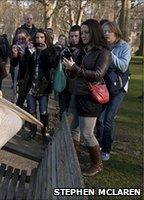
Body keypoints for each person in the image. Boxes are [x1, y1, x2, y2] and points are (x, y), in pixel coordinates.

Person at [63, 19, 112, 176]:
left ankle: (97, 164)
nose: (83, 35)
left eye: (86, 32)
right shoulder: (83, 51)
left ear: (94, 33)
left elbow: (98, 75)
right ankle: (73, 159)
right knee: (72, 130)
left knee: (87, 133)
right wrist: (69, 68)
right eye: (81, 32)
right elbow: (75, 72)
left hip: (91, 98)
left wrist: (75, 68)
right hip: (77, 95)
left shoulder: (104, 53)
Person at [97, 21, 131, 161]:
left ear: (115, 32)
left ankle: (106, 149)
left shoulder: (124, 46)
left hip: (119, 88)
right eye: (103, 31)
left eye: (108, 31)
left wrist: (109, 54)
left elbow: (123, 66)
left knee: (109, 119)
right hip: (105, 87)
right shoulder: (104, 46)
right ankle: (99, 143)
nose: (105, 34)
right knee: (100, 119)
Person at [19, 29, 60, 141]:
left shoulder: (50, 50)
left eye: (42, 37)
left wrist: (45, 51)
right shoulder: (31, 49)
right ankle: (32, 131)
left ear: (45, 38)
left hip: (43, 86)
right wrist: (28, 53)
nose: (39, 40)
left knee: (43, 110)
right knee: (31, 110)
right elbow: (24, 64)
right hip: (31, 85)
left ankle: (44, 132)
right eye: (37, 37)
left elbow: (53, 64)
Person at [58, 25, 82, 120]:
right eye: (71, 36)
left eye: (76, 36)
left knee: (73, 113)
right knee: (63, 110)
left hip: (77, 85)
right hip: (65, 84)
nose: (74, 38)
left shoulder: (84, 51)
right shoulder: (65, 50)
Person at [11, 29, 33, 108]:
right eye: (19, 39)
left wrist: (24, 54)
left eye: (23, 39)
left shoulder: (31, 46)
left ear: (28, 38)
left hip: (30, 77)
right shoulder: (16, 46)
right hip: (21, 76)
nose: (21, 41)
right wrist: (15, 55)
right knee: (20, 101)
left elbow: (32, 61)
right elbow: (13, 64)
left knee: (30, 103)